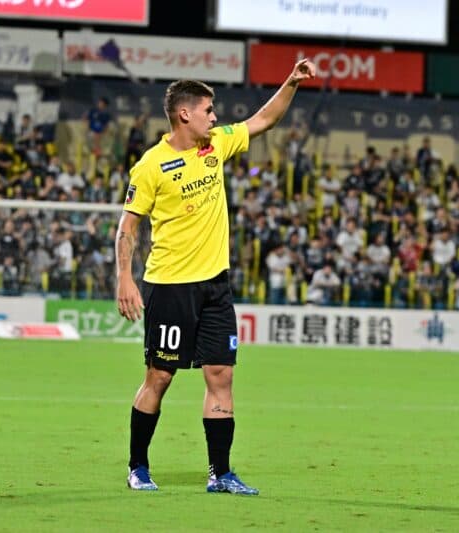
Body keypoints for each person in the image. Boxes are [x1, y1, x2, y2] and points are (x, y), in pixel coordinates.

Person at [115, 58, 317, 494]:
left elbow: (265, 118)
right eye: (209, 109)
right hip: (170, 286)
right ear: (185, 114)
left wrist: (292, 82)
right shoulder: (151, 165)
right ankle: (138, 467)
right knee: (160, 377)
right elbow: (127, 227)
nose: (216, 116)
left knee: (221, 375)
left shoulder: (217, 144)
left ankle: (221, 473)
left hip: (216, 286)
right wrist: (125, 279)